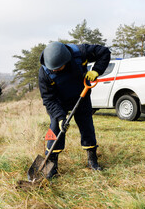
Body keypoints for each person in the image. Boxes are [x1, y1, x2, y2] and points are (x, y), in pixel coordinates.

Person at [38, 41, 110, 179]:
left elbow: (104, 52)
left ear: (67, 60)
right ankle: (51, 165)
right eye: (52, 68)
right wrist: (59, 117)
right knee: (55, 129)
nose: (54, 70)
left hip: (81, 95)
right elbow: (48, 99)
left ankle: (92, 160)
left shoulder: (81, 52)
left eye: (58, 68)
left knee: (87, 126)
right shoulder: (44, 73)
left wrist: (96, 70)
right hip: (59, 102)